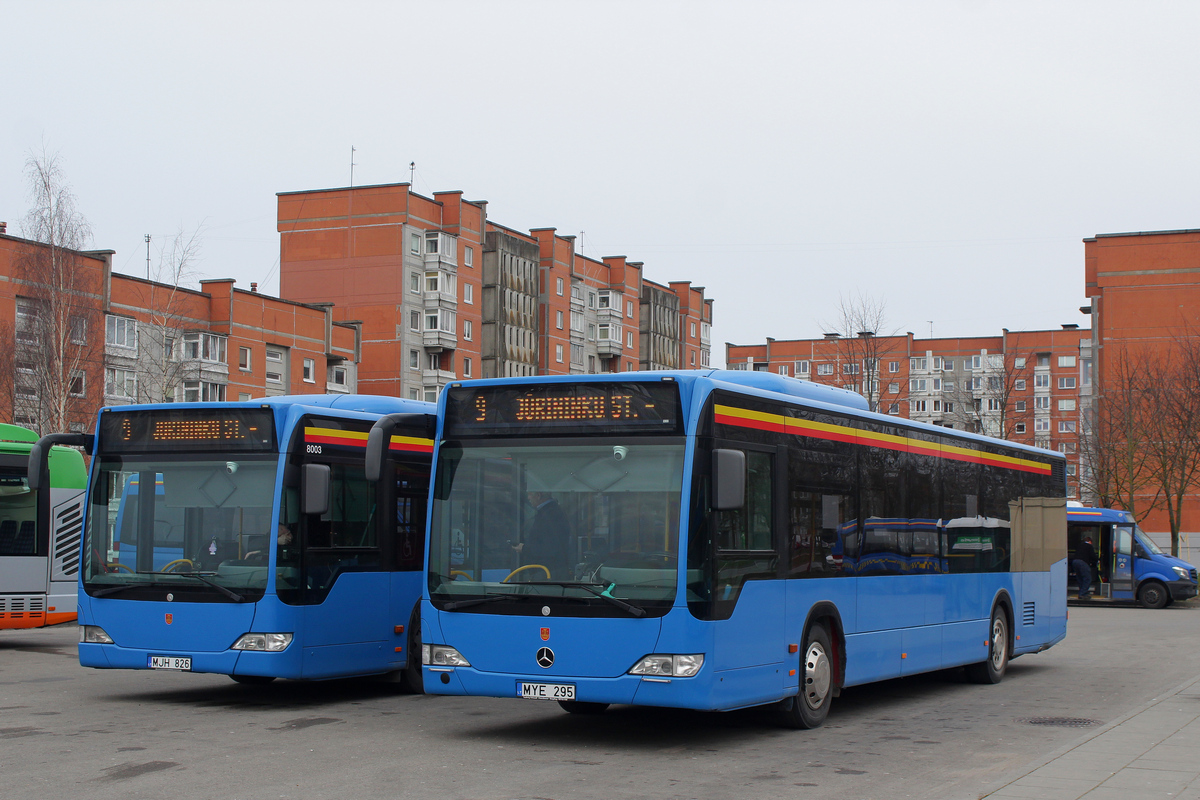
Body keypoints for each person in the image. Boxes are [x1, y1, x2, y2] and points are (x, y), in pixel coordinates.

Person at [512, 491, 570, 579]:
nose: (528, 498)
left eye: (530, 494)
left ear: (538, 495)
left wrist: (524, 549)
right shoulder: (551, 511)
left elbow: (549, 548)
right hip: (550, 569)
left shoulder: (549, 514)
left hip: (547, 572)